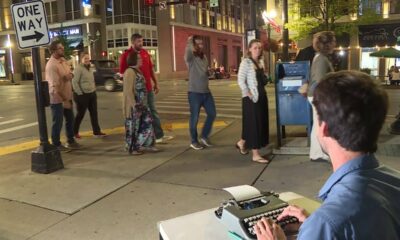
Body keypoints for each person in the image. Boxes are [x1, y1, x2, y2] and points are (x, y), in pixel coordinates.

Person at [254, 71, 400, 240]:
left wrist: (318, 228)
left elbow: (338, 223)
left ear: (325, 128)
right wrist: (315, 227)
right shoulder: (394, 181)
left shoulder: (327, 223)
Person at [120, 33, 172, 144]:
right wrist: (130, 96)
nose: (141, 43)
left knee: (153, 112)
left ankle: (159, 136)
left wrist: (156, 83)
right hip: (137, 93)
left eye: (142, 41)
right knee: (141, 116)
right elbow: (124, 75)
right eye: (139, 41)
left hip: (148, 89)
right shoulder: (126, 55)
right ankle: (142, 140)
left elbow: (151, 69)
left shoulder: (145, 53)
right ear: (133, 42)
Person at [236, 39, 270, 163]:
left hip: (261, 95)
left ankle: (242, 142)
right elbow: (240, 80)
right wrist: (248, 93)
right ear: (249, 49)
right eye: (255, 47)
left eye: (259, 48)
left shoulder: (260, 61)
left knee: (257, 122)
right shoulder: (246, 62)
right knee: (254, 124)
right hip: (251, 98)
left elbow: (262, 78)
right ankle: (255, 154)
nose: (258, 50)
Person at [45, 39, 81, 151]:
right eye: (60, 48)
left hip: (67, 96)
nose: (63, 49)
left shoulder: (63, 60)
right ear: (53, 51)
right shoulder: (51, 65)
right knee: (58, 122)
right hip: (58, 99)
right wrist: (64, 99)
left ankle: (70, 140)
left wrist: (70, 75)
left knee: (70, 119)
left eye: (62, 47)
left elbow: (69, 73)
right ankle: (56, 144)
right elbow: (54, 87)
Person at [307, 31, 336, 162]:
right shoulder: (321, 59)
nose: (335, 44)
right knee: (320, 125)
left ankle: (317, 152)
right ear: (327, 44)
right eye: (333, 41)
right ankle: (317, 153)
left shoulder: (320, 57)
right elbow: (319, 80)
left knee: (318, 125)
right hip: (318, 95)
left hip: (316, 95)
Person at [184, 35, 216, 150]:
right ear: (193, 45)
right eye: (198, 44)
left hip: (206, 92)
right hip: (194, 93)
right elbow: (187, 54)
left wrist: (209, 72)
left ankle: (204, 136)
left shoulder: (204, 57)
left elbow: (205, 72)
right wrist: (189, 42)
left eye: (202, 44)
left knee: (212, 114)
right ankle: (194, 141)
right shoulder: (191, 58)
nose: (200, 46)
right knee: (194, 118)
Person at [123, 51, 157, 155]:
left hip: (142, 104)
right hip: (135, 105)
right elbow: (128, 91)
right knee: (134, 127)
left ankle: (145, 144)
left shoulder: (137, 71)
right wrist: (134, 105)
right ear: (134, 60)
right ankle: (132, 148)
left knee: (147, 122)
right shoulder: (129, 72)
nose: (141, 60)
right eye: (139, 58)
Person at [72, 53, 106, 139]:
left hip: (92, 93)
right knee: (80, 114)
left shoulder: (90, 68)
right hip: (82, 95)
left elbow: (91, 80)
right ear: (81, 59)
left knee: (94, 113)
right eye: (85, 58)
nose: (87, 60)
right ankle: (74, 132)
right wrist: (80, 93)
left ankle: (96, 132)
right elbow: (74, 82)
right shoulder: (78, 69)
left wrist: (93, 89)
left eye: (88, 58)